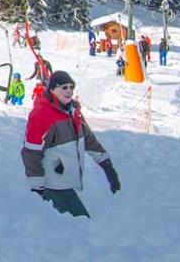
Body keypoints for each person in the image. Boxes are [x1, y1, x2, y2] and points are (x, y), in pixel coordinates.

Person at [23, 70, 119, 218]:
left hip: (65, 182)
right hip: (51, 184)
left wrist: (106, 165)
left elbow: (88, 139)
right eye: (64, 87)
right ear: (52, 89)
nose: (69, 91)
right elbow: (31, 151)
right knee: (79, 224)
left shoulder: (73, 112)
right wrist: (38, 186)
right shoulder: (42, 113)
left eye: (71, 87)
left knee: (74, 227)